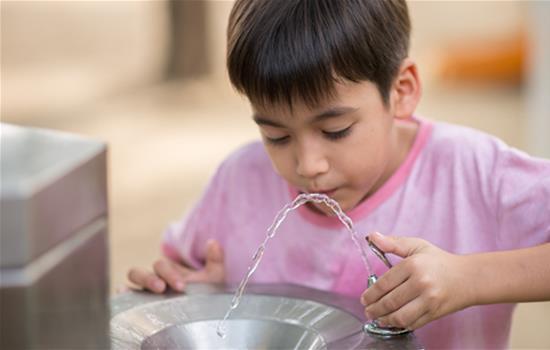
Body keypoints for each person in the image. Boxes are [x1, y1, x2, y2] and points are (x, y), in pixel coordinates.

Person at [127, 0, 550, 348]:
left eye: (335, 131)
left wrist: (469, 279)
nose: (308, 165)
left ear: (401, 90)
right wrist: (196, 294)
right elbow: (183, 268)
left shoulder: (472, 173)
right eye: (276, 135)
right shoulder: (240, 180)